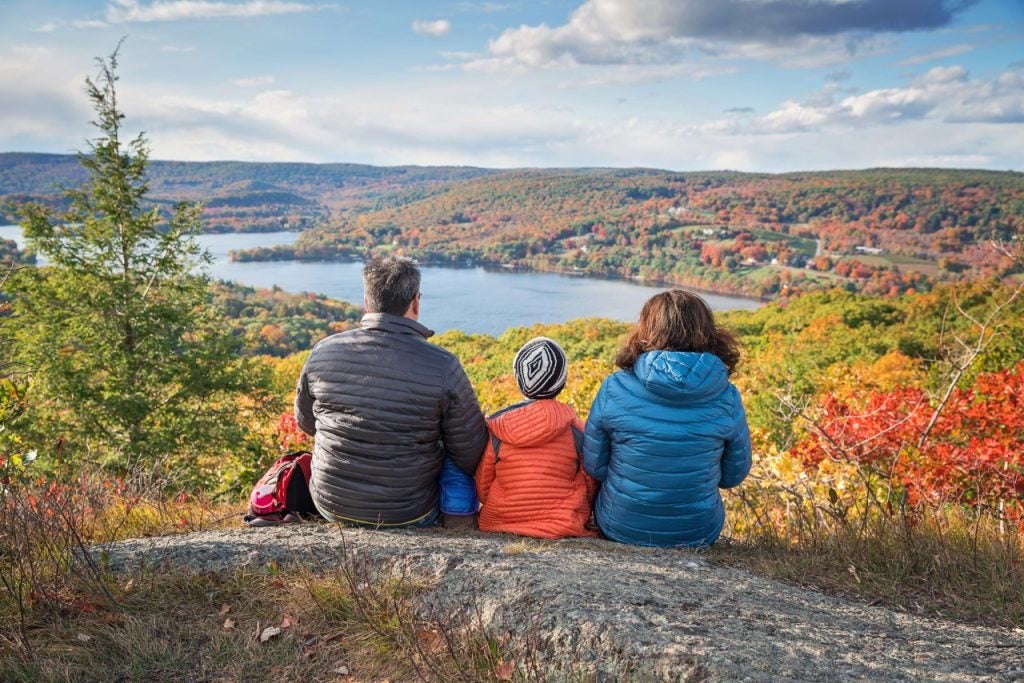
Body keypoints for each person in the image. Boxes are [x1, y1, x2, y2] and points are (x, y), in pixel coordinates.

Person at [294, 255, 488, 527]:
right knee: (454, 447)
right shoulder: (443, 365)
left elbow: (307, 423)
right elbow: (470, 452)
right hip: (409, 512)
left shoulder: (322, 352)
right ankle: (461, 524)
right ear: (416, 302)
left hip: (330, 503)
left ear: (367, 302)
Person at [583, 290, 751, 547]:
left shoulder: (614, 388)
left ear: (646, 329)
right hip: (696, 531)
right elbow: (732, 476)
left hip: (620, 524)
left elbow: (595, 466)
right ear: (707, 330)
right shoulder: (727, 396)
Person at [475, 337, 598, 539]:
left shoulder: (497, 429)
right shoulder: (577, 431)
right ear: (562, 382)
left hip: (501, 522)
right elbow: (590, 483)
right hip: (562, 525)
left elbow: (483, 486)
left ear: (519, 380)